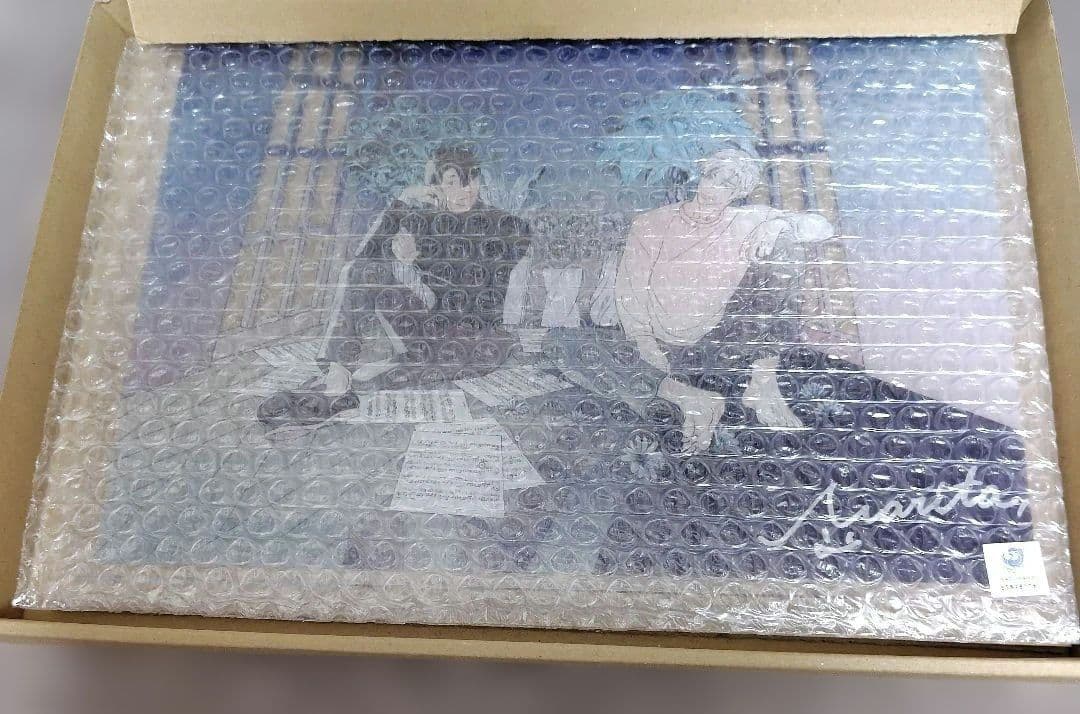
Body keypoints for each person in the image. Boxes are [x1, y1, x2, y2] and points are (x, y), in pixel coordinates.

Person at [258, 144, 533, 430]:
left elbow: (478, 295)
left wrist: (420, 261)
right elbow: (362, 262)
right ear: (435, 187)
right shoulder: (426, 221)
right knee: (365, 271)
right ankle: (336, 375)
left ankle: (333, 397)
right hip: (431, 330)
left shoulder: (509, 226)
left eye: (470, 180)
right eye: (452, 182)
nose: (465, 191)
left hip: (477, 341)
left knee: (374, 376)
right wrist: (402, 200)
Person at [614, 147, 833, 453]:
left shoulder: (746, 220)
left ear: (739, 193)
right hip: (661, 345)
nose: (713, 190)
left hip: (717, 343)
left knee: (787, 249)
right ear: (701, 176)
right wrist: (644, 342)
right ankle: (686, 393)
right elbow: (631, 291)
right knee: (579, 348)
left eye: (727, 185)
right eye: (711, 178)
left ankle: (763, 381)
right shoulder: (652, 224)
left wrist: (779, 225)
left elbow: (823, 227)